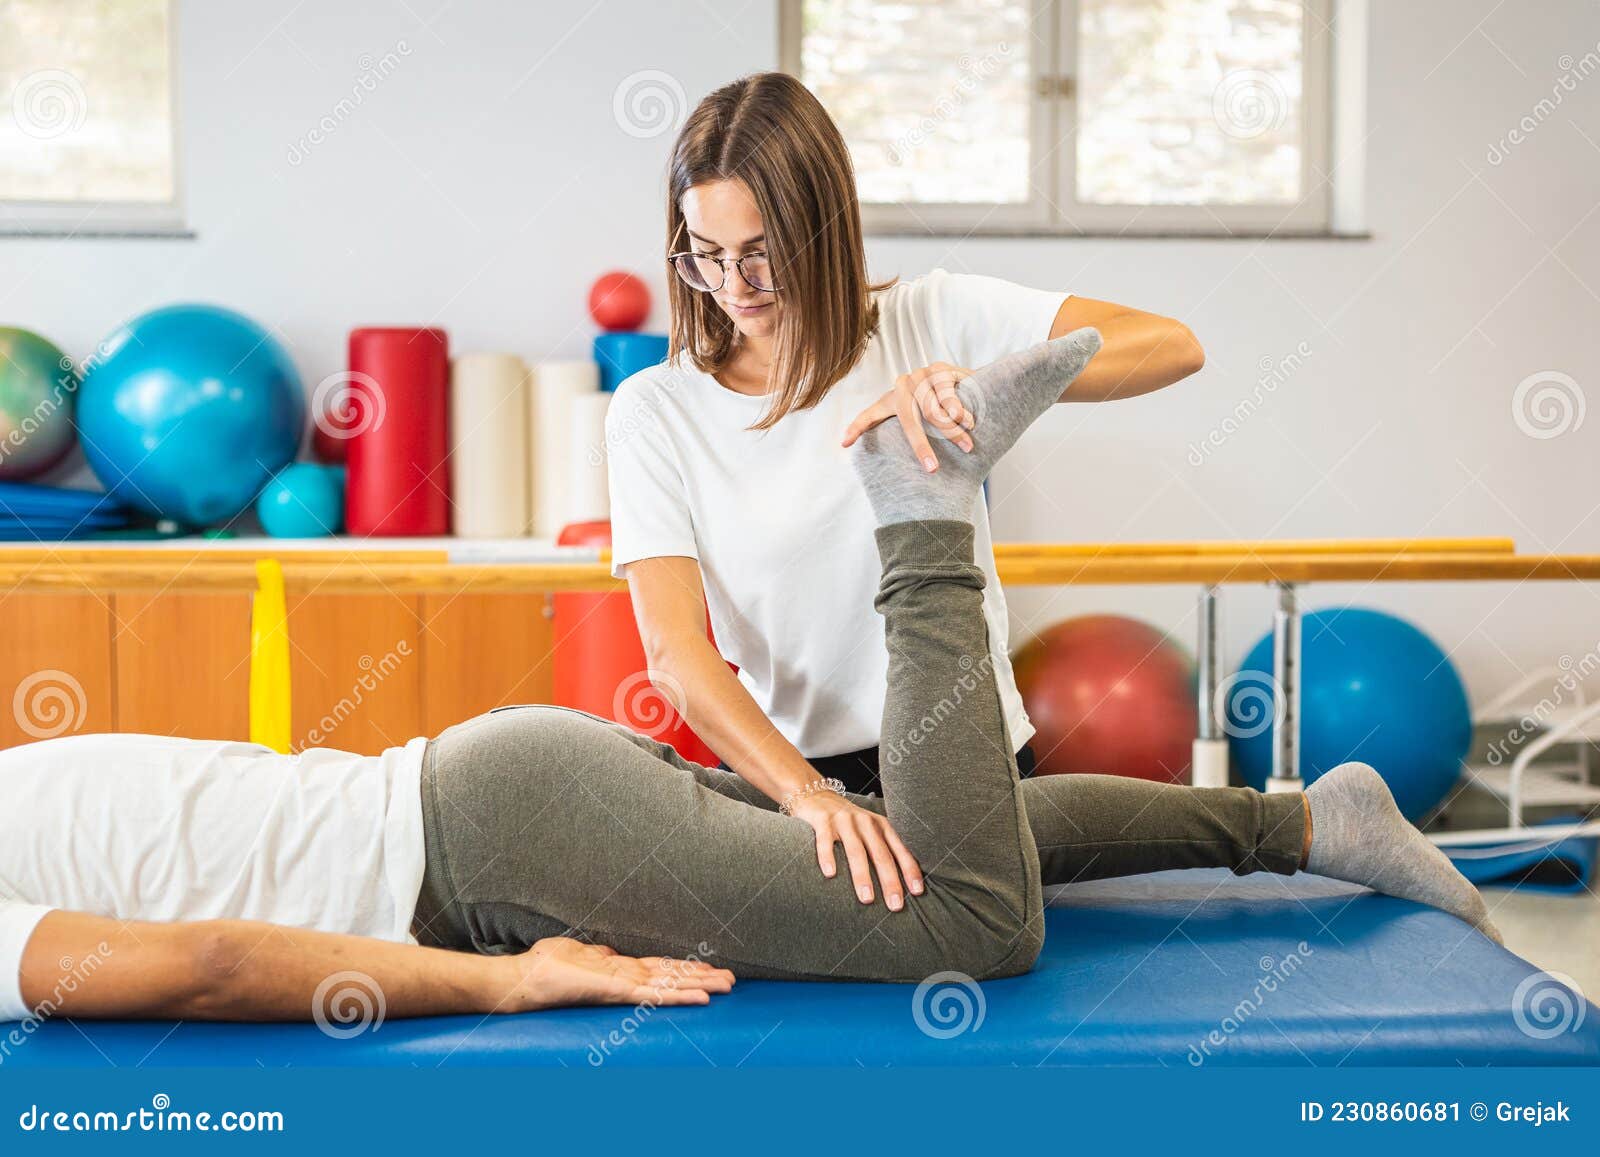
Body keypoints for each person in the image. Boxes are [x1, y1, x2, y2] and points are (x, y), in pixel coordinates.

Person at [0, 334, 1497, 1025]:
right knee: (915, 851)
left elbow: (202, 964)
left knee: (961, 930)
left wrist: (510, 982)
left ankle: (922, 519)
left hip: (498, 849)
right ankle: (1305, 823)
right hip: (487, 781)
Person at [607, 72, 1212, 912]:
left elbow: (1171, 345)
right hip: (788, 779)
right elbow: (676, 655)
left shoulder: (925, 318)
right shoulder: (655, 410)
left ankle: (1301, 830)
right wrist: (806, 796)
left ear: (821, 228)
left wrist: (981, 385)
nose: (734, 284)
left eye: (760, 251)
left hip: (966, 764)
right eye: (706, 256)